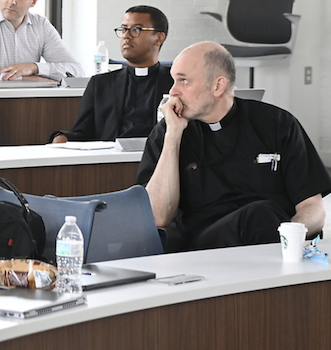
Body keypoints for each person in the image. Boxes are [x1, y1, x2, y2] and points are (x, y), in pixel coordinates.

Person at [137, 41, 331, 250]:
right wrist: (173, 135)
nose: (173, 91)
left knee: (261, 215)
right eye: (173, 80)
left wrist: (289, 235)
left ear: (218, 86)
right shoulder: (166, 133)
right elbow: (158, 217)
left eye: (183, 81)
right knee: (258, 214)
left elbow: (313, 209)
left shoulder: (277, 124)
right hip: (204, 246)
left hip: (271, 238)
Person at [51, 6, 172, 143]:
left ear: (159, 38)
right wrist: (63, 137)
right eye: (124, 29)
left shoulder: (175, 83)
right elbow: (84, 132)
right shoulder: (101, 84)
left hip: (159, 159)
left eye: (136, 29)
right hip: (111, 160)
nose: (126, 35)